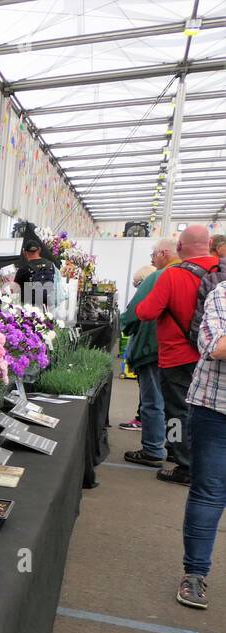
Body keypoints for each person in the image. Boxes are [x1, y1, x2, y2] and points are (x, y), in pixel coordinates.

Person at [136, 224, 220, 484]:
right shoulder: (221, 270)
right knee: (211, 415)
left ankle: (182, 463)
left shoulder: (173, 275)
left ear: (180, 248)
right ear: (209, 244)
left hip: (178, 356)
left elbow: (145, 312)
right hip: (215, 357)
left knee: (177, 414)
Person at [176, 281, 226, 609]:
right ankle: (195, 573)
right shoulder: (222, 293)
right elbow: (218, 346)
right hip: (215, 409)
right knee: (209, 492)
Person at [120, 239, 178, 465]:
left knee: (152, 402)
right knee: (177, 406)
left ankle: (153, 450)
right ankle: (175, 447)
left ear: (163, 254)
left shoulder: (158, 276)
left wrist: (126, 326)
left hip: (153, 349)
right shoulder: (193, 276)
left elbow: (134, 313)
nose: (152, 260)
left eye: (153, 255)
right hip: (181, 352)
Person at [14, 239, 57, 310]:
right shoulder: (51, 265)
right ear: (39, 250)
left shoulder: (23, 269)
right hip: (46, 307)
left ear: (24, 253)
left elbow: (15, 289)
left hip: (29, 308)